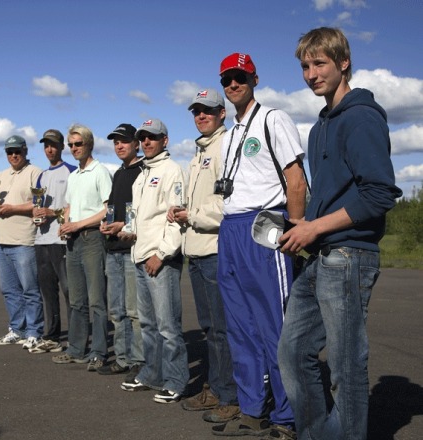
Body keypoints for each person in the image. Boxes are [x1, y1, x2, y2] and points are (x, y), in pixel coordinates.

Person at [278, 27, 402, 440]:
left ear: (343, 63)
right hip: (321, 254)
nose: (311, 74)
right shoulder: (319, 127)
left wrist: (316, 225)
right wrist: (305, 226)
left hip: (350, 256)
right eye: (305, 66)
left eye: (320, 63)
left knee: (346, 365)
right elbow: (331, 195)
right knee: (293, 352)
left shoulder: (362, 118)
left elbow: (380, 194)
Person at [213, 53, 307, 438]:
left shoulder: (273, 119)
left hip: (263, 224)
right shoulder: (230, 134)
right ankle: (253, 407)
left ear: (254, 78)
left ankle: (288, 415)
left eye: (240, 77)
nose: (233, 84)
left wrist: (295, 231)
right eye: (227, 79)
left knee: (275, 325)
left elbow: (296, 179)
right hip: (231, 227)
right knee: (240, 326)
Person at [167, 89, 238, 422]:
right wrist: (181, 210)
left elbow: (228, 203)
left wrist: (191, 215)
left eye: (207, 110)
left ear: (222, 113)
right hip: (195, 251)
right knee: (210, 328)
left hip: (215, 250)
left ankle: (230, 395)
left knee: (222, 329)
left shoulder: (225, 146)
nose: (201, 116)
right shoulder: (199, 153)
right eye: (196, 111)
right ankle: (216, 386)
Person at [119, 118, 189, 404]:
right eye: (143, 137)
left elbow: (177, 218)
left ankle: (176, 380)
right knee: (147, 324)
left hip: (160, 260)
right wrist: (127, 230)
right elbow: (136, 213)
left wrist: (161, 254)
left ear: (165, 140)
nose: (147, 142)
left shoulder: (173, 171)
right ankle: (152, 373)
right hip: (139, 256)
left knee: (168, 326)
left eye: (153, 137)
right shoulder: (142, 174)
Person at [51, 124, 112, 372]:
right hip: (73, 241)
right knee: (76, 299)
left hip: (92, 239)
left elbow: (107, 209)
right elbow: (68, 206)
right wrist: (65, 224)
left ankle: (98, 352)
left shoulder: (100, 172)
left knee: (96, 299)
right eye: (71, 145)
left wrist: (78, 224)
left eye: (78, 144)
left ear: (89, 144)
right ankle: (76, 349)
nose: (74, 148)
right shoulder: (74, 175)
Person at [0, 135, 44, 350]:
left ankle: (34, 332)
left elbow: (39, 203)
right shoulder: (1, 176)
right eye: (9, 152)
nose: (13, 155)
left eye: (17, 151)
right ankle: (17, 329)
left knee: (30, 290)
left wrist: (13, 208)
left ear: (25, 151)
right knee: (9, 290)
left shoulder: (35, 173)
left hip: (24, 241)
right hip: (2, 241)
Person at [97, 123, 144, 376]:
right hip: (113, 249)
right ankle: (123, 358)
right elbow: (113, 208)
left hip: (131, 249)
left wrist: (122, 225)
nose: (119, 146)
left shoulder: (144, 171)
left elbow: (142, 212)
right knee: (117, 311)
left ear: (136, 143)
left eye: (124, 141)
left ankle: (139, 360)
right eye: (115, 142)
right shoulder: (117, 174)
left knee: (134, 311)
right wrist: (106, 224)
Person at [29, 129, 76, 354]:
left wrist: (53, 212)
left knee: (69, 291)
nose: (49, 149)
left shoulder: (72, 172)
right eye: (46, 145)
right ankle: (52, 336)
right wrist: (36, 214)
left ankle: (76, 339)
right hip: (42, 240)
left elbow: (75, 206)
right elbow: (36, 205)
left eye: (54, 145)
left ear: (62, 147)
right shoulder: (42, 176)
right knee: (48, 292)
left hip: (62, 239)